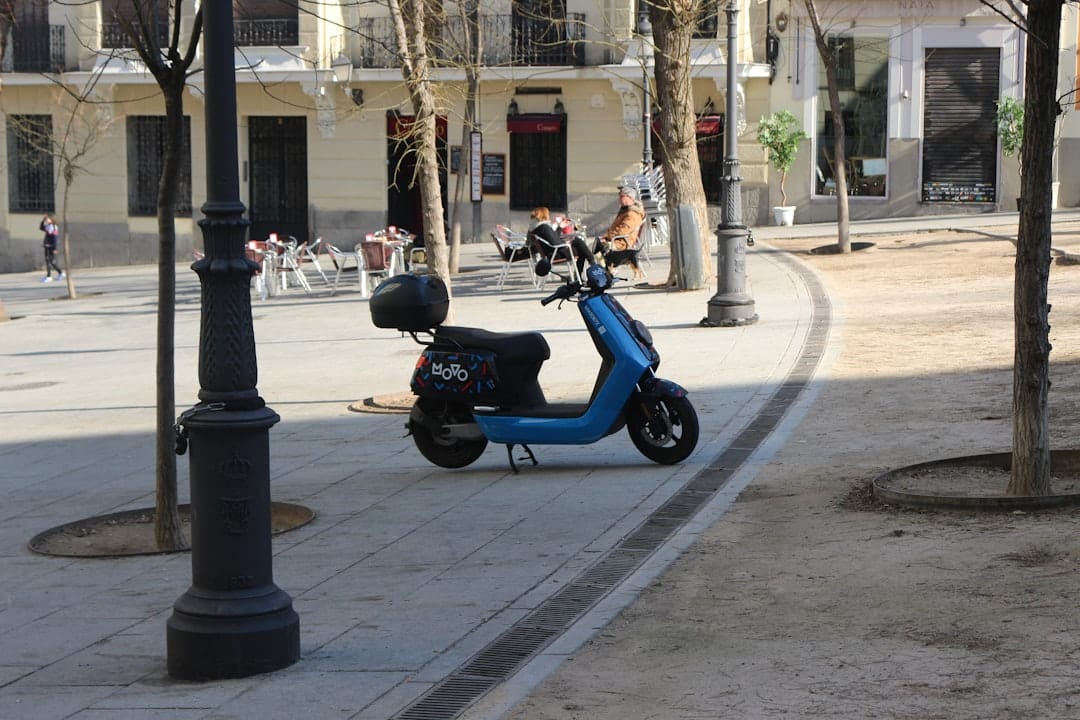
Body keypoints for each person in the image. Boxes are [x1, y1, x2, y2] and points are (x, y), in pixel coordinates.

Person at [580, 186, 646, 279]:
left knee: (595, 248)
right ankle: (589, 272)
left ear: (630, 197)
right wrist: (606, 237)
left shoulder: (632, 214)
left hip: (622, 242)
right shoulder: (625, 210)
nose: (619, 198)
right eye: (619, 196)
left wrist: (607, 237)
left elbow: (623, 231)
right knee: (589, 247)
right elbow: (616, 228)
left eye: (622, 196)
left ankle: (607, 272)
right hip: (616, 239)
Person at [39, 214, 63, 282]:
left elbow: (55, 238)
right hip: (47, 246)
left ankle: (50, 276)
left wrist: (55, 248)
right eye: (45, 219)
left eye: (47, 219)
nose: (46, 220)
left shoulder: (53, 227)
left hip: (51, 246)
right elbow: (41, 228)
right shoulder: (48, 226)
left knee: (50, 261)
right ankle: (59, 273)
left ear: (51, 219)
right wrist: (43, 221)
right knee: (49, 261)